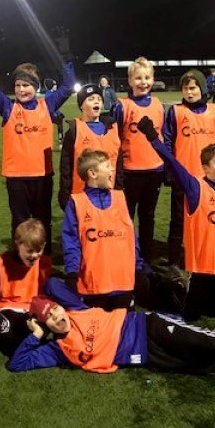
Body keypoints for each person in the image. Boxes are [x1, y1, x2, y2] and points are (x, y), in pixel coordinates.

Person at [7, 278, 215, 374]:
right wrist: (35, 334)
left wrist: (45, 299)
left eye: (57, 310)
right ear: (44, 324)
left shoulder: (78, 309)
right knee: (214, 365)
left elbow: (52, 283)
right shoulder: (58, 351)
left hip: (146, 326)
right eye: (51, 317)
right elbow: (17, 364)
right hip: (147, 357)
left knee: (209, 341)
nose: (58, 317)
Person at [137, 117, 215, 320]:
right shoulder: (196, 189)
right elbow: (171, 161)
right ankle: (173, 293)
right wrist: (152, 137)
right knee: (191, 317)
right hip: (203, 269)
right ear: (205, 168)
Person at [0, 27, 75, 254]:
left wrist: (66, 55)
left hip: (43, 177)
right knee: (21, 223)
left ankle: (44, 266)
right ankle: (20, 267)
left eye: (27, 85)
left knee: (42, 222)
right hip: (17, 179)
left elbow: (68, 85)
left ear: (36, 86)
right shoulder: (8, 108)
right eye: (18, 85)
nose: (22, 89)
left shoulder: (47, 105)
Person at [62, 149, 150, 310]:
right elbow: (71, 241)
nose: (112, 169)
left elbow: (131, 238)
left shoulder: (120, 198)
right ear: (92, 174)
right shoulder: (76, 203)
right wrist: (72, 272)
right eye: (107, 166)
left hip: (123, 283)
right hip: (94, 286)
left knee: (123, 332)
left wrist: (138, 268)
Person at [163, 69, 215, 266]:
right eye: (185, 88)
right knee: (178, 220)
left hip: (209, 180)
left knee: (207, 220)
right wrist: (170, 170)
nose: (189, 93)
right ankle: (174, 260)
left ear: (202, 88)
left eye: (193, 88)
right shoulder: (176, 112)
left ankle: (204, 255)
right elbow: (167, 141)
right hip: (183, 178)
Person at [113, 57, 165, 262]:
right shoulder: (122, 106)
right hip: (129, 172)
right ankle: (126, 256)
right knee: (126, 218)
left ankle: (147, 257)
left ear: (152, 79)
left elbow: (163, 138)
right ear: (130, 81)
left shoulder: (159, 105)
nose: (143, 82)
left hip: (154, 171)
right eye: (138, 78)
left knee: (148, 217)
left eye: (147, 77)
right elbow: (114, 140)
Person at [0, 219, 52, 357]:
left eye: (38, 250)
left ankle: (22, 345)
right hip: (6, 309)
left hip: (32, 310)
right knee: (7, 329)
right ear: (17, 245)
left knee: (50, 325)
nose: (35, 255)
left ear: (44, 245)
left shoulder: (45, 263)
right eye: (29, 251)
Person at [58, 83, 123, 210]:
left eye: (99, 99)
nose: (96, 102)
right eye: (91, 99)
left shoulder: (112, 128)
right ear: (81, 105)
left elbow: (118, 162)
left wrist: (119, 189)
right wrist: (65, 194)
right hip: (81, 196)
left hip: (109, 195)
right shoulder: (74, 131)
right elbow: (66, 168)